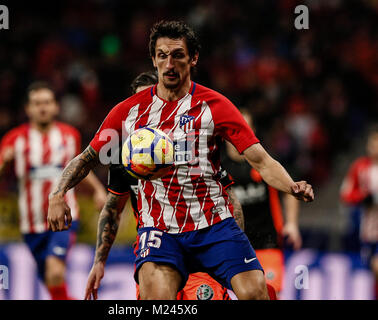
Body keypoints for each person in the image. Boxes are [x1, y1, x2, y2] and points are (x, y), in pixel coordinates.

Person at [48, 20, 314, 300]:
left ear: (193, 58)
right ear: (153, 60)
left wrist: (291, 185)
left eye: (177, 55)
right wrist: (58, 194)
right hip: (160, 230)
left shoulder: (216, 106)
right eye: (162, 55)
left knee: (255, 293)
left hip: (214, 225)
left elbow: (261, 160)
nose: (169, 63)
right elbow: (88, 158)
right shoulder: (128, 112)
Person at [84, 71, 240, 300]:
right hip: (154, 252)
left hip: (199, 248)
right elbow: (112, 210)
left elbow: (231, 200)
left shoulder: (192, 149)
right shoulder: (123, 159)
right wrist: (99, 262)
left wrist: (230, 252)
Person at [0, 81, 107, 300]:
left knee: (55, 272)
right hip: (31, 224)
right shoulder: (14, 139)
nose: (43, 107)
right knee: (53, 284)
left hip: (64, 219)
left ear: (56, 107)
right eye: (37, 103)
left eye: (47, 102)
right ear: (28, 109)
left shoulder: (69, 135)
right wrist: (4, 163)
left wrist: (98, 190)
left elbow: (78, 171)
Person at [222, 108, 301, 297]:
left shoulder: (266, 162)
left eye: (244, 127)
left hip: (267, 243)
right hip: (228, 246)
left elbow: (290, 190)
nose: (238, 133)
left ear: (252, 131)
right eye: (234, 128)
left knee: (270, 294)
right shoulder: (217, 165)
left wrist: (291, 223)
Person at [340, 124, 378, 300]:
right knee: (371, 270)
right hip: (368, 229)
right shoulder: (360, 167)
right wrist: (362, 197)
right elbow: (346, 194)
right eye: (373, 142)